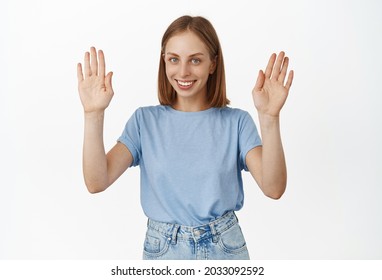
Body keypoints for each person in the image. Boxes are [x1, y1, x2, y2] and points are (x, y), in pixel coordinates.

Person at [76, 15, 293, 260]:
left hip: (224, 249)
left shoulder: (237, 122)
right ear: (164, 62)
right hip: (164, 251)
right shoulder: (144, 122)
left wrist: (269, 117)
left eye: (195, 60)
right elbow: (96, 182)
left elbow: (274, 188)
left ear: (213, 64)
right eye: (174, 59)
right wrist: (93, 114)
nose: (183, 71)